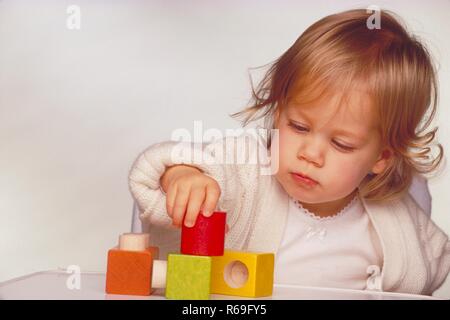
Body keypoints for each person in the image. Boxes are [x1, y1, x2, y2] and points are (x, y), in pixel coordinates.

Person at [128, 9, 450, 295]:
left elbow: (431, 265)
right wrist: (184, 176)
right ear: (279, 112)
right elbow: (163, 169)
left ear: (382, 157)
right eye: (298, 126)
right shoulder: (246, 173)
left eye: (341, 144)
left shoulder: (395, 222)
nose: (310, 154)